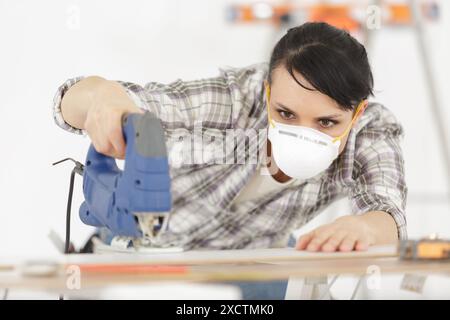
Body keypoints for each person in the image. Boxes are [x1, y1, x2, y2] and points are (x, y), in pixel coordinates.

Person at [53, 22, 407, 257]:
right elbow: (72, 102)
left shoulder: (371, 131)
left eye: (327, 122)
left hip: (254, 262)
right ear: (268, 92)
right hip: (145, 252)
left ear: (357, 114)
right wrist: (102, 96)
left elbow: (386, 212)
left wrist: (364, 227)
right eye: (285, 114)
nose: (305, 133)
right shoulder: (236, 99)